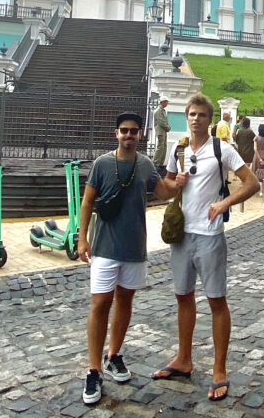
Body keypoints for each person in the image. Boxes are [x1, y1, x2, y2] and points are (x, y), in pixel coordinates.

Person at [153, 93, 259, 402]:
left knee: (216, 301)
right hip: (182, 233)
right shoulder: (179, 148)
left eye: (201, 114)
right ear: (185, 117)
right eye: (191, 114)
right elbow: (164, 190)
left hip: (210, 235)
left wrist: (224, 202)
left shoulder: (222, 149)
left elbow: (251, 183)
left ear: (209, 119)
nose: (195, 118)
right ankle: (183, 359)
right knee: (183, 297)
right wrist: (175, 183)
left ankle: (219, 369)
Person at [77, 112, 183, 405]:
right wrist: (82, 237)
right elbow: (87, 201)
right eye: (124, 131)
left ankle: (114, 355)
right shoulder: (102, 163)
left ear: (139, 135)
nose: (128, 135)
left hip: (134, 247)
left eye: (133, 131)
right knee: (100, 303)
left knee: (125, 301)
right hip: (104, 248)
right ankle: (94, 369)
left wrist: (180, 180)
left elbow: (163, 191)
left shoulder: (146, 164)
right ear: (116, 134)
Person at [153, 96, 170, 172]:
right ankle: (156, 162)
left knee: (164, 146)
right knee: (160, 146)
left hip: (163, 131)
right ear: (162, 102)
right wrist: (167, 127)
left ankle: (160, 162)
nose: (167, 103)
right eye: (166, 101)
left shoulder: (163, 111)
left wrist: (167, 127)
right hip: (160, 131)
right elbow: (161, 122)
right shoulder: (158, 111)